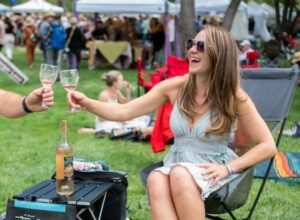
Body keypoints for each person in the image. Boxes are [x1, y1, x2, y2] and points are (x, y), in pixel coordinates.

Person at [68, 26, 277, 219]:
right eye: (191, 44)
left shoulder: (233, 96)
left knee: (178, 174)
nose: (192, 50)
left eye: (200, 46)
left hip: (218, 174)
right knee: (156, 178)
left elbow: (268, 146)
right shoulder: (176, 87)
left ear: (219, 54)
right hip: (178, 166)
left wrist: (229, 168)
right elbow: (125, 111)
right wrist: (87, 102)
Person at [78, 70, 153, 139]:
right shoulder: (104, 95)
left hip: (114, 118)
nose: (123, 82)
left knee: (139, 119)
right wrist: (118, 120)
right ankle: (93, 130)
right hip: (105, 121)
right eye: (121, 80)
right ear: (114, 83)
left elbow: (125, 104)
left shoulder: (116, 92)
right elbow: (101, 118)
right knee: (117, 128)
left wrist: (127, 92)